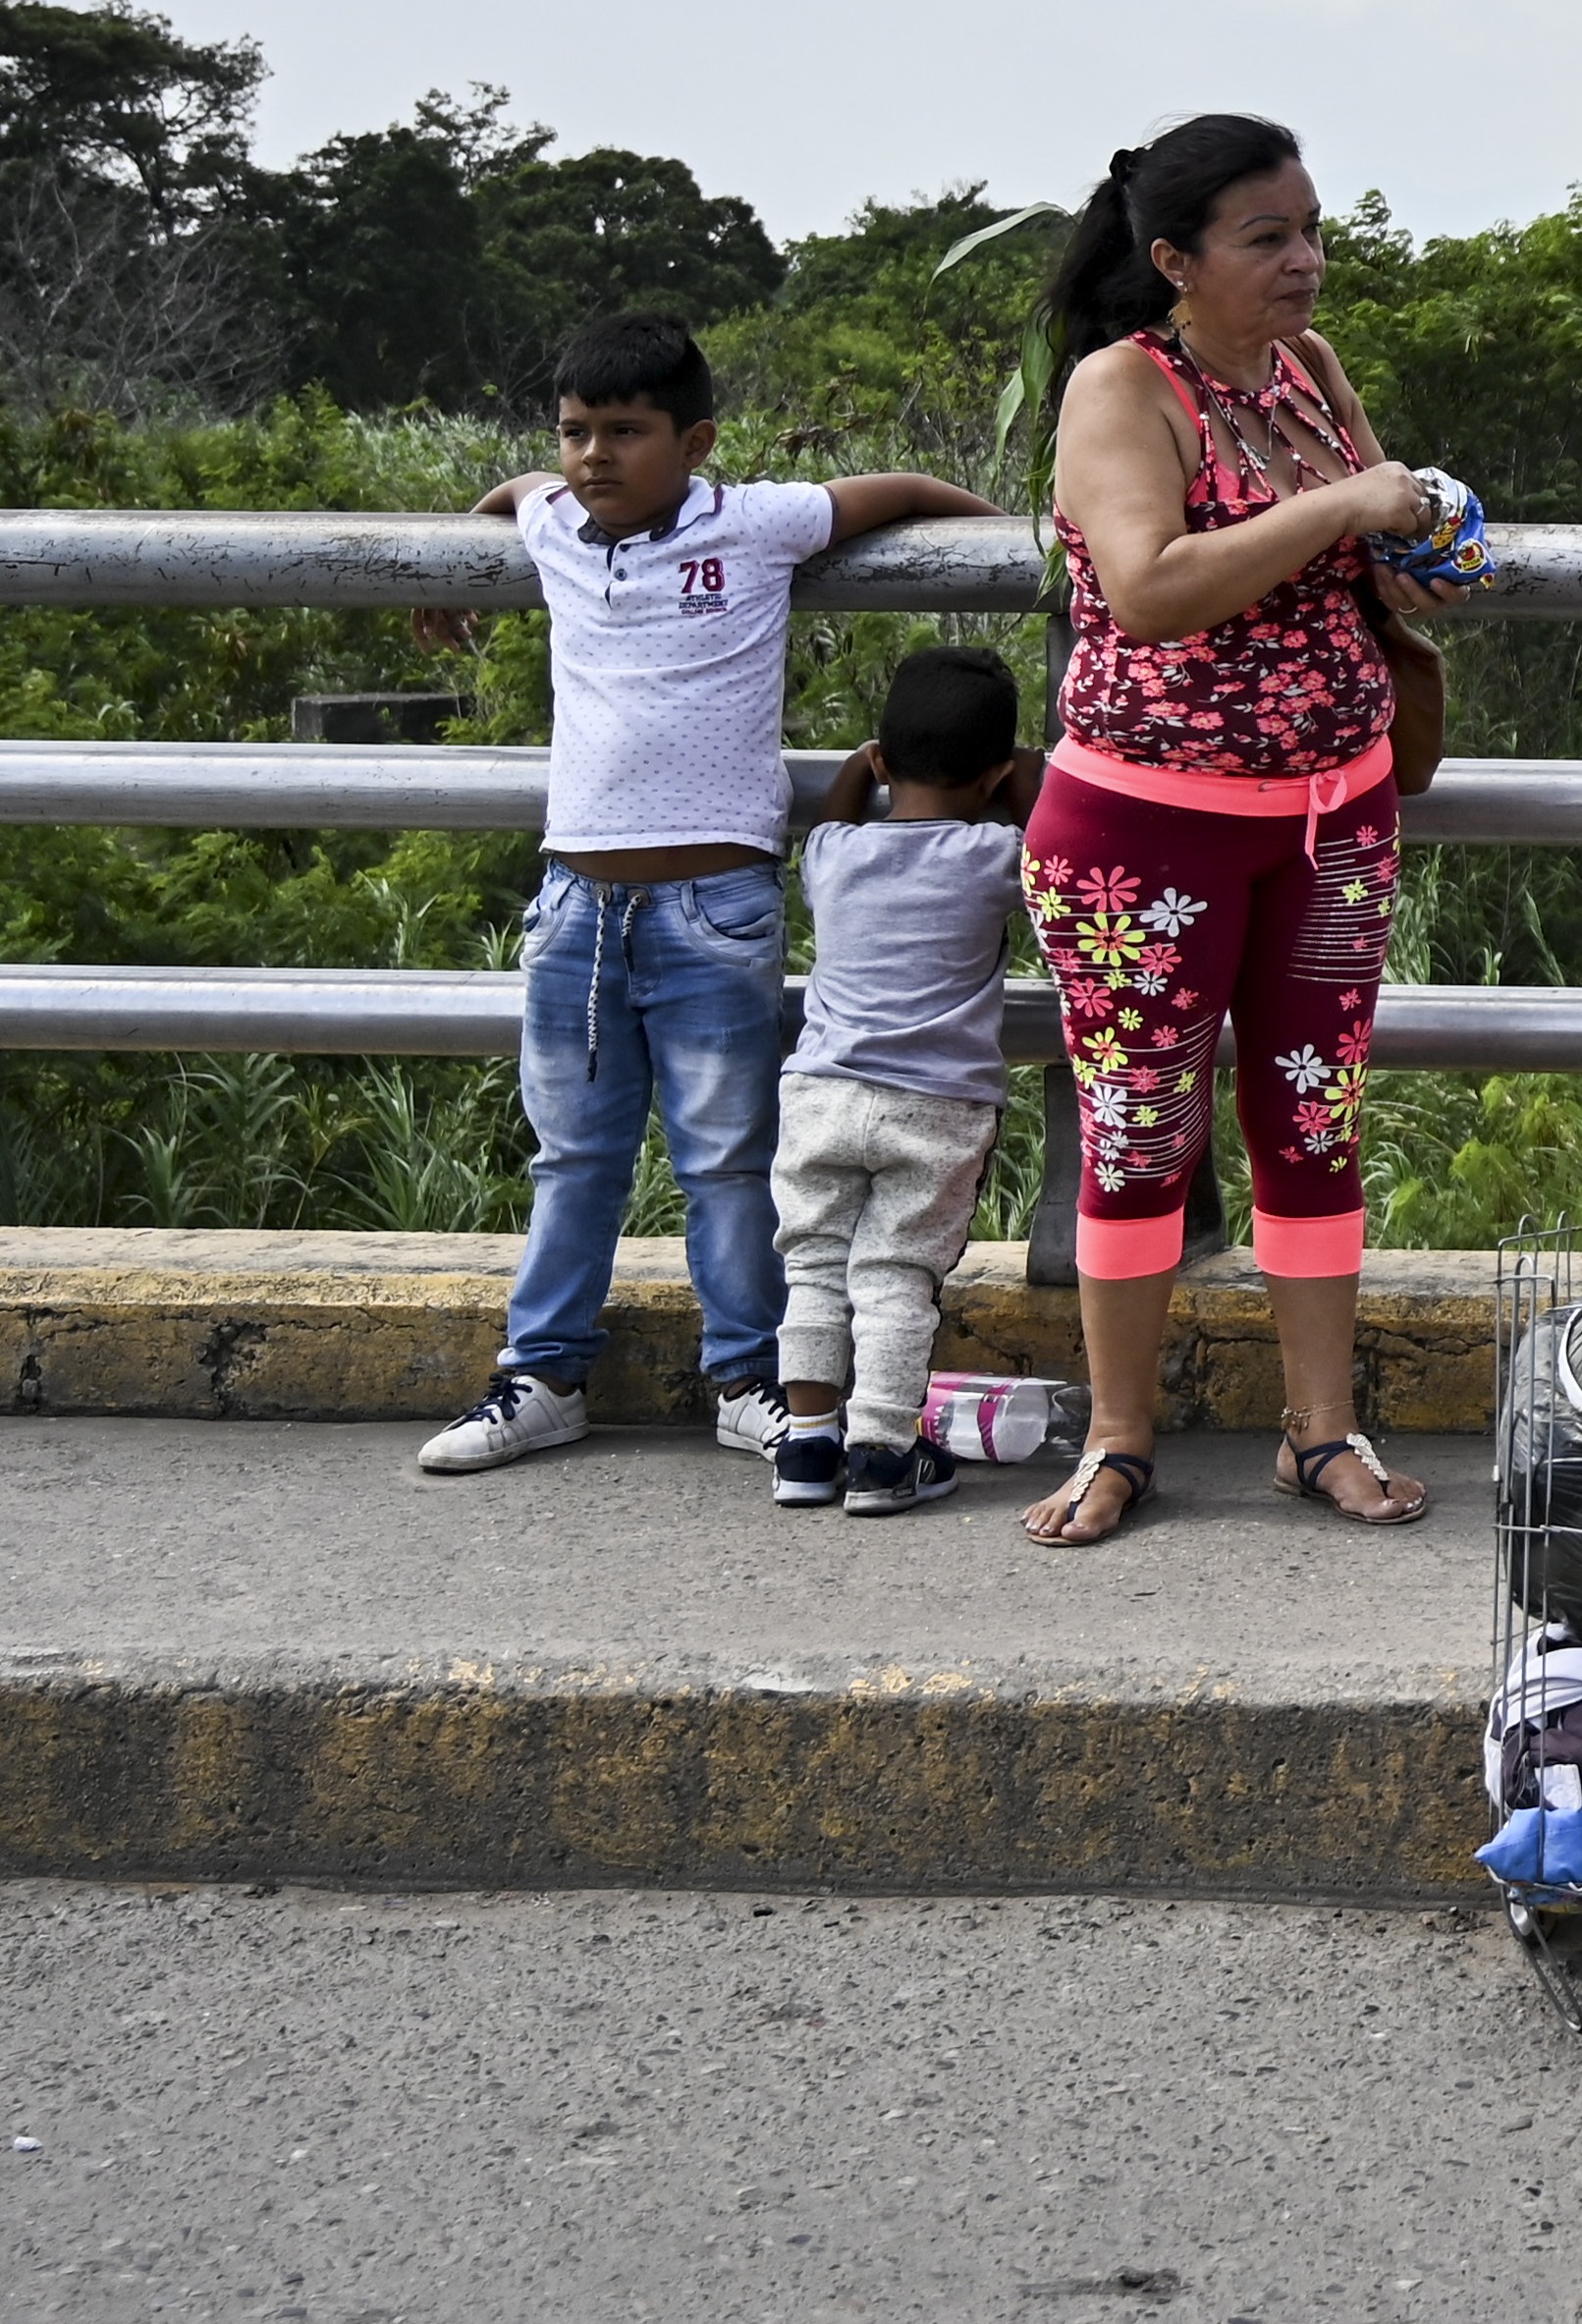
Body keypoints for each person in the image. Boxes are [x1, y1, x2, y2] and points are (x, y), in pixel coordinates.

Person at [416, 318, 997, 1474]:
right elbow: (519, 486)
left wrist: (1026, 548)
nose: (593, 457)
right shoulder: (553, 524)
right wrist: (460, 556)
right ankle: (543, 1375)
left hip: (715, 906)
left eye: (626, 433)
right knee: (572, 1156)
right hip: (577, 902)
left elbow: (899, 490)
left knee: (729, 1160)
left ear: (697, 443)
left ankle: (749, 1377)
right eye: (577, 432)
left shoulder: (759, 520)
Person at [1014, 113, 1463, 1549]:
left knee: (1313, 1124)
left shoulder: (1310, 375)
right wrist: (1344, 500)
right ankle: (1119, 1437)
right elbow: (1145, 585)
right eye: (1266, 237)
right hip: (1144, 836)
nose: (1305, 261)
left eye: (1311, 229)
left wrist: (1418, 555)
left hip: (1334, 820)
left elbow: (1368, 539)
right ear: (1173, 260)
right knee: (1141, 1134)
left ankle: (1319, 1429)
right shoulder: (1121, 388)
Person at [765, 645, 1040, 1517]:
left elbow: (831, 818)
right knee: (895, 1275)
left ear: (882, 762)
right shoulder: (997, 856)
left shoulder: (837, 855)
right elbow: (1053, 844)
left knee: (813, 1266)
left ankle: (806, 1448)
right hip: (936, 1107)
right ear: (996, 774)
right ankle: (882, 1452)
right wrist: (1021, 778)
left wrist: (860, 767)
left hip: (821, 1094)